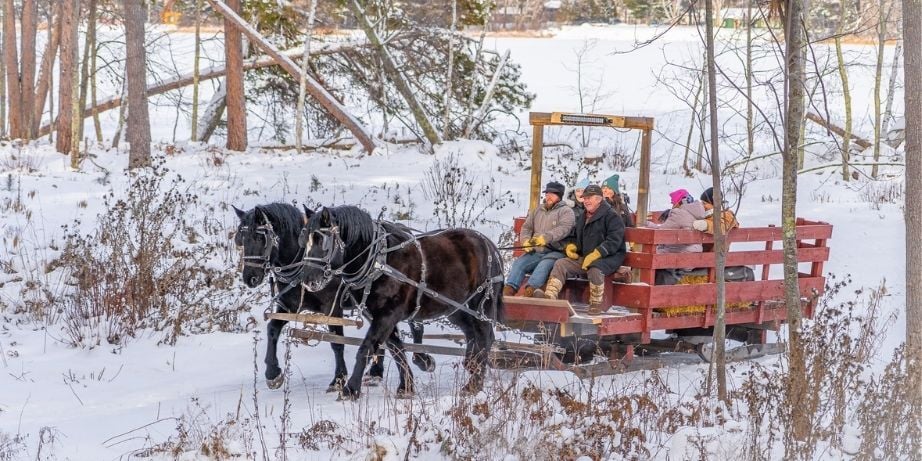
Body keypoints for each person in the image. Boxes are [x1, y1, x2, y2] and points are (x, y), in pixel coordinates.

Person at [535, 185, 626, 315]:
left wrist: (597, 253)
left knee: (595, 268)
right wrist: (573, 248)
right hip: (586, 256)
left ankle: (596, 303)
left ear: (599, 199)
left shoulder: (612, 216)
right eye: (584, 198)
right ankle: (550, 297)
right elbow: (578, 237)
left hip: (609, 257)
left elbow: (614, 241)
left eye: (589, 198)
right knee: (561, 264)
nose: (586, 201)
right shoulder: (584, 216)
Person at [503, 181, 576, 297]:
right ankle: (508, 292)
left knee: (544, 265)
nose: (548, 196)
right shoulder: (538, 210)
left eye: (552, 194)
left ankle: (530, 292)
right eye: (547, 193)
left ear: (559, 196)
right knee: (519, 263)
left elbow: (564, 229)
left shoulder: (566, 211)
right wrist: (526, 241)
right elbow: (526, 227)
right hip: (538, 250)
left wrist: (546, 238)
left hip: (557, 251)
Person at [645, 188, 708, 254]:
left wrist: (647, 224)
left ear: (680, 202)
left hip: (683, 250)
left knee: (653, 251)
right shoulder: (697, 212)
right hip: (696, 249)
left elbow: (662, 231)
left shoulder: (678, 213)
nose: (672, 206)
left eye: (673, 202)